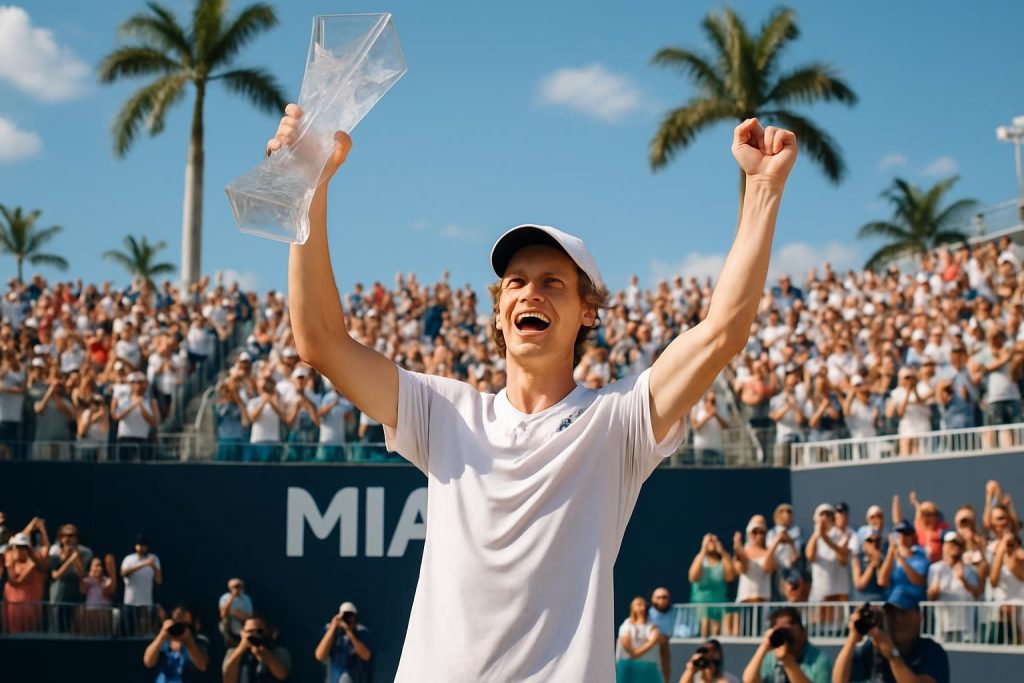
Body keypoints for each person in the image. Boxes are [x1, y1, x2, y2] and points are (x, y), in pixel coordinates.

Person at [274, 102, 797, 680]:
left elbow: (721, 333)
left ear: (587, 313)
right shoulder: (442, 411)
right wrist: (307, 188)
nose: (530, 294)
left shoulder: (618, 423)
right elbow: (319, 341)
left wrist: (762, 189)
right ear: (499, 313)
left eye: (553, 283)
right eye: (516, 283)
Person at [832, 598, 949, 683]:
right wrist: (852, 638)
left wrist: (892, 656)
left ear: (920, 617)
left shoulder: (931, 651)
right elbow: (839, 680)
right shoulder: (872, 648)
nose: (897, 620)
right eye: (891, 613)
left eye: (903, 612)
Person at [741, 606, 831, 683]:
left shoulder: (819, 660)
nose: (785, 636)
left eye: (788, 630)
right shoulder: (770, 658)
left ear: (803, 632)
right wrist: (764, 645)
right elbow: (749, 680)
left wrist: (788, 662)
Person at [927, 531, 983, 642]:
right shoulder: (935, 568)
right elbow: (931, 596)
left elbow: (977, 594)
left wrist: (963, 580)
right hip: (943, 626)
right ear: (944, 546)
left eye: (958, 544)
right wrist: (934, 589)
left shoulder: (970, 570)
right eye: (952, 544)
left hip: (966, 626)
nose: (955, 547)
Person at [732, 516, 780, 636]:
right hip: (745, 602)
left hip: (763, 603)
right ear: (749, 533)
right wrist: (738, 549)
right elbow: (741, 569)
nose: (758, 535)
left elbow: (768, 568)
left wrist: (774, 545)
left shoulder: (769, 553)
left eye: (761, 532)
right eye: (754, 532)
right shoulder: (744, 552)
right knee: (743, 636)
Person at [143, 604, 211, 682]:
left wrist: (189, 642)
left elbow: (202, 665)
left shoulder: (200, 641)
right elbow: (148, 662)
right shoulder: (165, 641)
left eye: (184, 625)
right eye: (176, 623)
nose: (180, 627)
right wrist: (161, 636)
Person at [2, 528, 48, 633]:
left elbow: (17, 582)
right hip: (12, 609)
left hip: (30, 608)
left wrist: (41, 528)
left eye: (23, 547)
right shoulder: (10, 560)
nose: (20, 550)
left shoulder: (33, 563)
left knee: (30, 633)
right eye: (17, 547)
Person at [689, 534, 736, 636]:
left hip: (719, 605)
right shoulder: (699, 559)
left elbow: (730, 577)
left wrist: (722, 552)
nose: (711, 543)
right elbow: (693, 577)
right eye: (708, 541)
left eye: (714, 541)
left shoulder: (724, 560)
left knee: (718, 632)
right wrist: (703, 550)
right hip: (701, 605)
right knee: (704, 630)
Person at [314, 601, 373, 683]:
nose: (347, 620)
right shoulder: (330, 631)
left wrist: (349, 632)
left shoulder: (362, 632)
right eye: (344, 617)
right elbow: (319, 656)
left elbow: (366, 656)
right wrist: (333, 627)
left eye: (350, 617)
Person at [223, 615, 291, 683]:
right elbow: (228, 680)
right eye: (249, 631)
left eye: (259, 631)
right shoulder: (233, 653)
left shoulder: (279, 652)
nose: (254, 634)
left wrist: (267, 657)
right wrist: (240, 649)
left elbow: (282, 675)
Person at [878, 521, 929, 611]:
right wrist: (891, 552)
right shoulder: (890, 558)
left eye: (906, 533)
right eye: (899, 533)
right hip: (893, 607)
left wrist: (901, 559)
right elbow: (882, 581)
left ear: (912, 536)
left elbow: (918, 581)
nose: (902, 537)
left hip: (913, 608)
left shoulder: (921, 557)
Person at [111, 372, 159, 461]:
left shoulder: (151, 401)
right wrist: (132, 405)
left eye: (141, 382)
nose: (138, 385)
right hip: (125, 439)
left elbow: (154, 422)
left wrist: (140, 406)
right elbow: (116, 417)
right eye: (134, 382)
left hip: (142, 439)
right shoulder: (123, 400)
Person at [121, 534, 162, 635]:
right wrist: (144, 564)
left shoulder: (154, 559)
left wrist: (154, 567)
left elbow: (159, 580)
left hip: (146, 602)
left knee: (145, 630)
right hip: (130, 602)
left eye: (143, 545)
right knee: (130, 630)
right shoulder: (128, 559)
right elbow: (123, 573)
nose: (141, 548)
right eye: (139, 545)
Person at [616, 596, 662, 683]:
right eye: (639, 605)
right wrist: (635, 653)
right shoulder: (626, 625)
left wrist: (636, 653)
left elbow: (655, 638)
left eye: (644, 605)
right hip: (627, 668)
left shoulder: (653, 626)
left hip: (649, 669)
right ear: (632, 608)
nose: (642, 607)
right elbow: (627, 645)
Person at [79, 554, 117, 636]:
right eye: (95, 566)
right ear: (91, 567)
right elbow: (83, 589)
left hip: (104, 614)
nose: (98, 568)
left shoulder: (107, 580)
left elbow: (108, 591)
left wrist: (112, 570)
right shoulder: (86, 580)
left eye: (100, 566)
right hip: (90, 614)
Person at [691, 391, 729, 465]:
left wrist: (716, 416)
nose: (712, 404)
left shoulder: (718, 412)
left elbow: (726, 427)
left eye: (714, 401)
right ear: (705, 401)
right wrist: (708, 416)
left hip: (717, 449)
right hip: (701, 449)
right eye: (710, 401)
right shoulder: (697, 410)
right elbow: (695, 427)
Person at [648, 587, 675, 683]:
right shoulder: (646, 615)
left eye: (664, 597)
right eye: (658, 597)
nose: (661, 600)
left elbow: (685, 630)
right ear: (652, 599)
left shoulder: (676, 613)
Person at [219, 577, 254, 646]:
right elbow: (223, 615)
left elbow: (249, 617)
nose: (239, 588)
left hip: (243, 627)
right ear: (230, 587)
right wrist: (232, 597)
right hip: (229, 628)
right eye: (236, 586)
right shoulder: (224, 598)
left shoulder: (246, 598)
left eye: (240, 585)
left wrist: (235, 612)